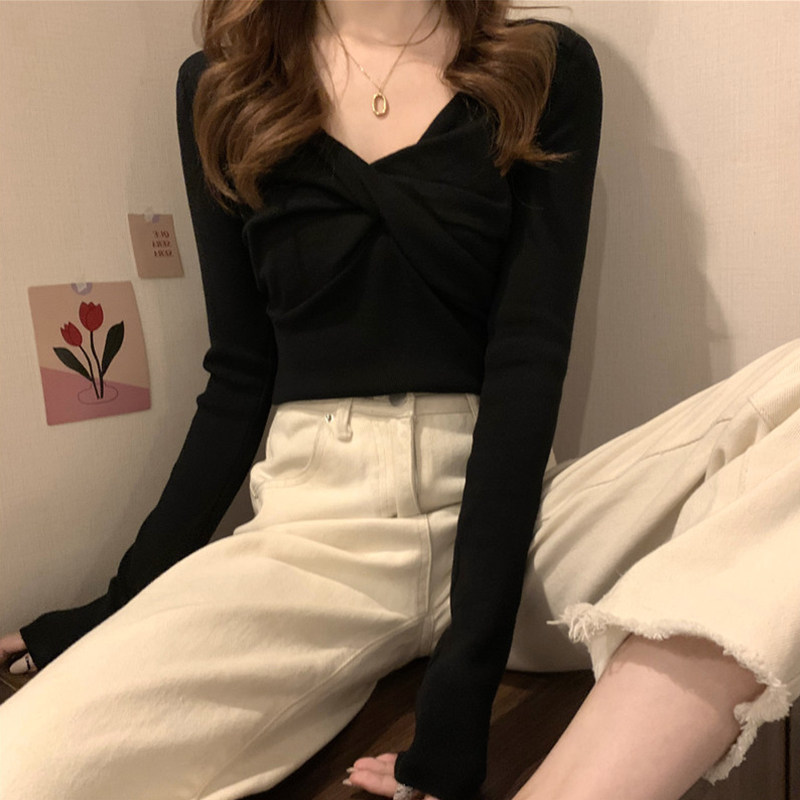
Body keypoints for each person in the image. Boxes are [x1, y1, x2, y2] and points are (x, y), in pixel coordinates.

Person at [1, 2, 798, 799]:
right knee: (26, 767)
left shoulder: (539, 66)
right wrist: (114, 605)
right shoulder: (224, 87)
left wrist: (462, 691)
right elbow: (241, 374)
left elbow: (527, 362)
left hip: (520, 530)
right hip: (318, 539)